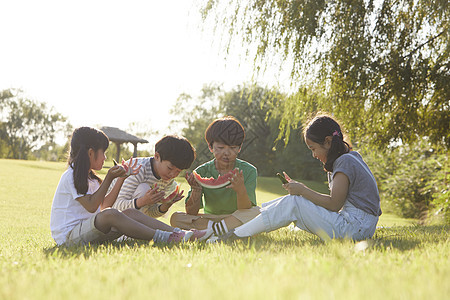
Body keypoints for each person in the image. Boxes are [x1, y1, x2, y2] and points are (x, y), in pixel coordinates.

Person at [219, 114, 382, 242]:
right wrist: (301, 192)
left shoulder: (344, 162)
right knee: (291, 202)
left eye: (313, 149)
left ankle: (237, 235)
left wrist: (303, 191)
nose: (314, 155)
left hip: (355, 228)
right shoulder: (349, 158)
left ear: (328, 142)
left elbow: (334, 204)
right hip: (359, 226)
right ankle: (242, 228)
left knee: (294, 203)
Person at [50, 127, 205, 246]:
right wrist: (109, 177)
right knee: (111, 214)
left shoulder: (90, 177)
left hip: (89, 230)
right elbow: (92, 207)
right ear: (91, 153)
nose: (105, 157)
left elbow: (105, 205)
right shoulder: (71, 175)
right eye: (103, 153)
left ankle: (183, 234)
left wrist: (120, 179)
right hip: (69, 237)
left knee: (130, 212)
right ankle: (165, 238)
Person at [170, 116, 260, 238]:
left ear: (239, 148)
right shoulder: (201, 171)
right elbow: (191, 212)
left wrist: (241, 190)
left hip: (236, 216)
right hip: (210, 218)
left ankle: (211, 231)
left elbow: (245, 209)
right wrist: (196, 190)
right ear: (210, 147)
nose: (226, 153)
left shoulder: (249, 171)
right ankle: (223, 230)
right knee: (176, 218)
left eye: (232, 148)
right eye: (221, 148)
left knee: (256, 212)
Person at [110, 135, 196, 218]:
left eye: (178, 171)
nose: (173, 175)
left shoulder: (167, 180)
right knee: (144, 188)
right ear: (157, 156)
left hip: (133, 221)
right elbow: (115, 206)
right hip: (108, 218)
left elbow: (148, 213)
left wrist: (166, 205)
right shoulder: (137, 170)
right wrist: (142, 201)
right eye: (170, 168)